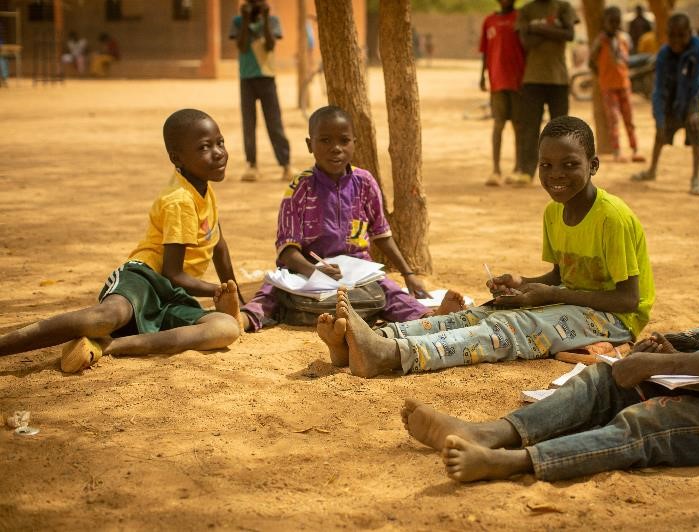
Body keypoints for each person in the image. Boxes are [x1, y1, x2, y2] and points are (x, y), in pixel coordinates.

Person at [402, 133, 699, 484]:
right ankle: (492, 432)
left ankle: (514, 462)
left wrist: (665, 362)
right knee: (609, 377)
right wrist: (670, 359)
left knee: (647, 424)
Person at [317, 116, 655, 379]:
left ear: (593, 165)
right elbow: (561, 276)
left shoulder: (613, 219)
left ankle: (389, 355)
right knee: (483, 313)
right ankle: (365, 341)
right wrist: (523, 284)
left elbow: (627, 299)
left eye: (570, 165)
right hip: (574, 307)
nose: (556, 175)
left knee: (511, 328)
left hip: (616, 319)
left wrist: (550, 296)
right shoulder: (554, 212)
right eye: (546, 165)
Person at [0, 109, 243, 373]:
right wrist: (216, 290)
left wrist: (235, 294)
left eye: (220, 142)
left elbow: (219, 245)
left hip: (173, 298)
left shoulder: (204, 191)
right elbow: (172, 274)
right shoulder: (179, 201)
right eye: (204, 147)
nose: (218, 152)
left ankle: (109, 346)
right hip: (144, 279)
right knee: (105, 317)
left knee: (225, 328)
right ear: (177, 158)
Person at [240, 106, 465, 340]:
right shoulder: (300, 188)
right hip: (307, 270)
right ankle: (243, 319)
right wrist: (315, 271)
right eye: (325, 140)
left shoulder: (365, 182)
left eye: (344, 140)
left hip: (358, 271)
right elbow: (287, 251)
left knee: (390, 291)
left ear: (354, 143)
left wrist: (408, 273)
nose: (335, 148)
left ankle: (429, 318)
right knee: (271, 290)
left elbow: (382, 234)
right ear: (310, 145)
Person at [632, 13, 699, 195]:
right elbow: (658, 88)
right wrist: (659, 117)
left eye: (681, 35)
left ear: (689, 33)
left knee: (695, 133)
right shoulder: (664, 54)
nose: (676, 41)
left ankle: (695, 178)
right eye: (671, 35)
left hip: (691, 97)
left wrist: (694, 109)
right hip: (670, 100)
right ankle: (652, 170)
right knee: (660, 135)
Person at [513, 0, 578, 186]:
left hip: (559, 78)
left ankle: (563, 171)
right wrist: (555, 30)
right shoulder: (526, 10)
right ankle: (527, 171)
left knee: (560, 130)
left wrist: (538, 29)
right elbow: (526, 42)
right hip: (533, 78)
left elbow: (570, 35)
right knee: (530, 127)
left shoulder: (564, 7)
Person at [229, 0, 293, 182]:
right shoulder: (238, 22)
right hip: (247, 79)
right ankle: (252, 164)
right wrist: (245, 19)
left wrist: (264, 19)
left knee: (275, 123)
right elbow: (241, 46)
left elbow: (270, 45)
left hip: (267, 78)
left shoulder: (272, 21)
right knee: (249, 123)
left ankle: (286, 165)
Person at [589, 6, 645, 164]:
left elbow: (627, 59)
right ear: (605, 22)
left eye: (617, 22)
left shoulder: (624, 39)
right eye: (611, 22)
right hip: (608, 86)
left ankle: (635, 149)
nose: (614, 25)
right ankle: (617, 151)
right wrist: (602, 75)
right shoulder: (600, 41)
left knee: (629, 119)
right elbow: (591, 62)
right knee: (613, 120)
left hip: (624, 84)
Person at [480, 0, 526, 186]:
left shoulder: (520, 18)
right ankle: (496, 170)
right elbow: (485, 52)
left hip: (518, 80)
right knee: (498, 124)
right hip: (497, 80)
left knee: (518, 125)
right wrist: (482, 75)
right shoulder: (489, 21)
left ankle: (518, 168)